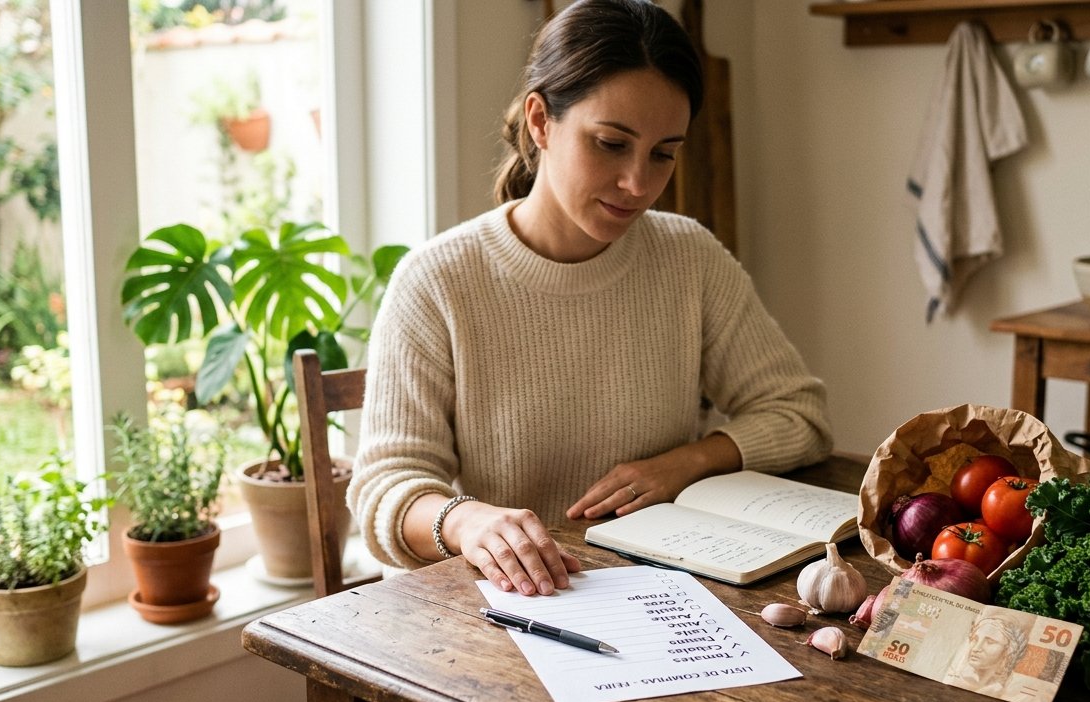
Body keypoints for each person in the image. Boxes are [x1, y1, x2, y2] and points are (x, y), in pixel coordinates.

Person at [348, 0, 832, 598]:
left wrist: (687, 461)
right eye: (610, 143)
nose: (637, 183)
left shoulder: (689, 258)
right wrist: (469, 521)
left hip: (666, 597)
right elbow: (386, 491)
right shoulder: (437, 281)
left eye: (663, 153)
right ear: (540, 121)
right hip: (508, 614)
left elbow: (799, 416)